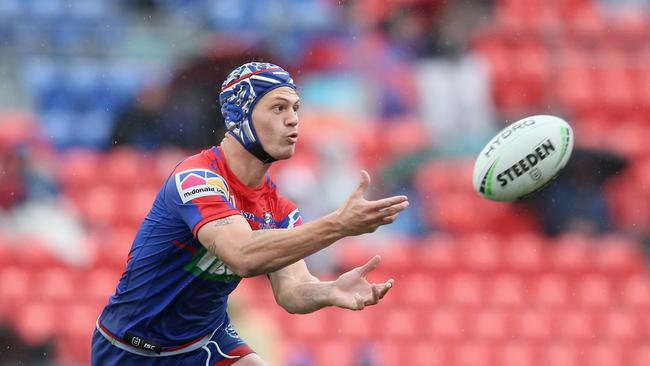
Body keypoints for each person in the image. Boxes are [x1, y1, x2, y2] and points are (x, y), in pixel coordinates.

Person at [91, 62, 409, 366]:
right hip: (130, 349)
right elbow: (242, 255)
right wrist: (338, 225)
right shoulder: (198, 178)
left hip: (205, 343)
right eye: (278, 107)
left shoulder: (279, 209)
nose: (294, 119)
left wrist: (328, 290)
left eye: (296, 108)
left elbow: (292, 292)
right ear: (241, 114)